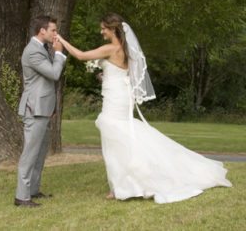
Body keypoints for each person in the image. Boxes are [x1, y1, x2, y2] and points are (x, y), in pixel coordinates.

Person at [56, 13, 232, 204]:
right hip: (119, 95)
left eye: (104, 28)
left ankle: (121, 185)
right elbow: (121, 72)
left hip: (115, 99)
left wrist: (62, 41)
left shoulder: (111, 48)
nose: (101, 31)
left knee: (114, 136)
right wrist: (104, 76)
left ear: (113, 29)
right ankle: (121, 183)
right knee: (120, 136)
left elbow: (81, 55)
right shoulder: (124, 49)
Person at [15, 15, 66, 208]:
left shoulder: (42, 49)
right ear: (42, 31)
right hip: (34, 109)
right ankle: (21, 197)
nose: (56, 34)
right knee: (30, 153)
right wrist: (59, 54)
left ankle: (33, 190)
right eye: (53, 30)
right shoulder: (32, 51)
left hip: (44, 108)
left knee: (39, 153)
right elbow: (54, 73)